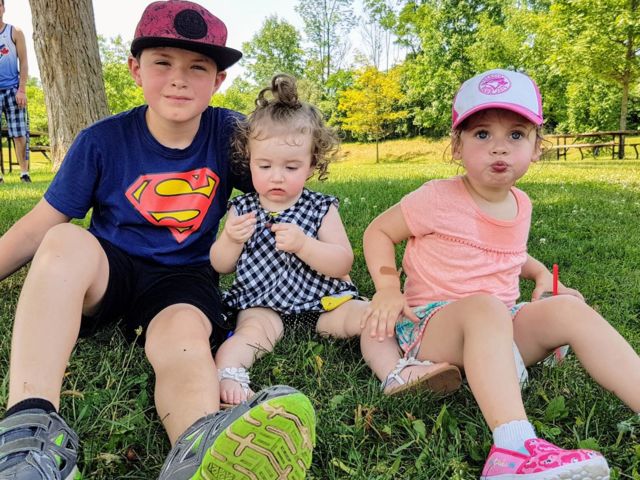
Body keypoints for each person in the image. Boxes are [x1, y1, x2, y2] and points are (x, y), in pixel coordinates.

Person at [0, 2, 315, 479]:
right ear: (136, 69)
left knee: (184, 338)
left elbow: (285, 182)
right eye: (162, 62)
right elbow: (37, 226)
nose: (179, 79)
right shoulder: (101, 141)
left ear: (218, 80)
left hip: (183, 280)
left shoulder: (231, 135)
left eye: (198, 67)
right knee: (63, 239)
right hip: (110, 270)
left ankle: (199, 451)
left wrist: (327, 263)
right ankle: (29, 432)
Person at [361, 68, 640, 479]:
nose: (499, 148)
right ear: (457, 146)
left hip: (501, 328)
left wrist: (542, 276)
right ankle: (513, 450)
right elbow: (378, 232)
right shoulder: (436, 197)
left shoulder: (520, 203)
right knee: (486, 307)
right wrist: (387, 287)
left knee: (570, 310)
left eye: (516, 135)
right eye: (481, 134)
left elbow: (510, 255)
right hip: (432, 328)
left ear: (536, 147)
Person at [210, 73, 372, 406]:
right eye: (265, 165)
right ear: (249, 161)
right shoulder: (242, 208)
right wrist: (230, 239)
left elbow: (342, 261)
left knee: (361, 315)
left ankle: (406, 344)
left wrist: (305, 245)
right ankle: (228, 372)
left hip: (321, 302)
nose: (277, 176)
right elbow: (221, 265)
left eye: (291, 167)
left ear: (312, 165)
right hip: (262, 302)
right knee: (252, 334)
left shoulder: (320, 208)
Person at [0, 0, 31, 183]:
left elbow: (24, 62)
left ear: (3, 8)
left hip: (13, 90)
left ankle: (24, 173)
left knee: (19, 133)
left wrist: (22, 89)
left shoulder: (15, 32)